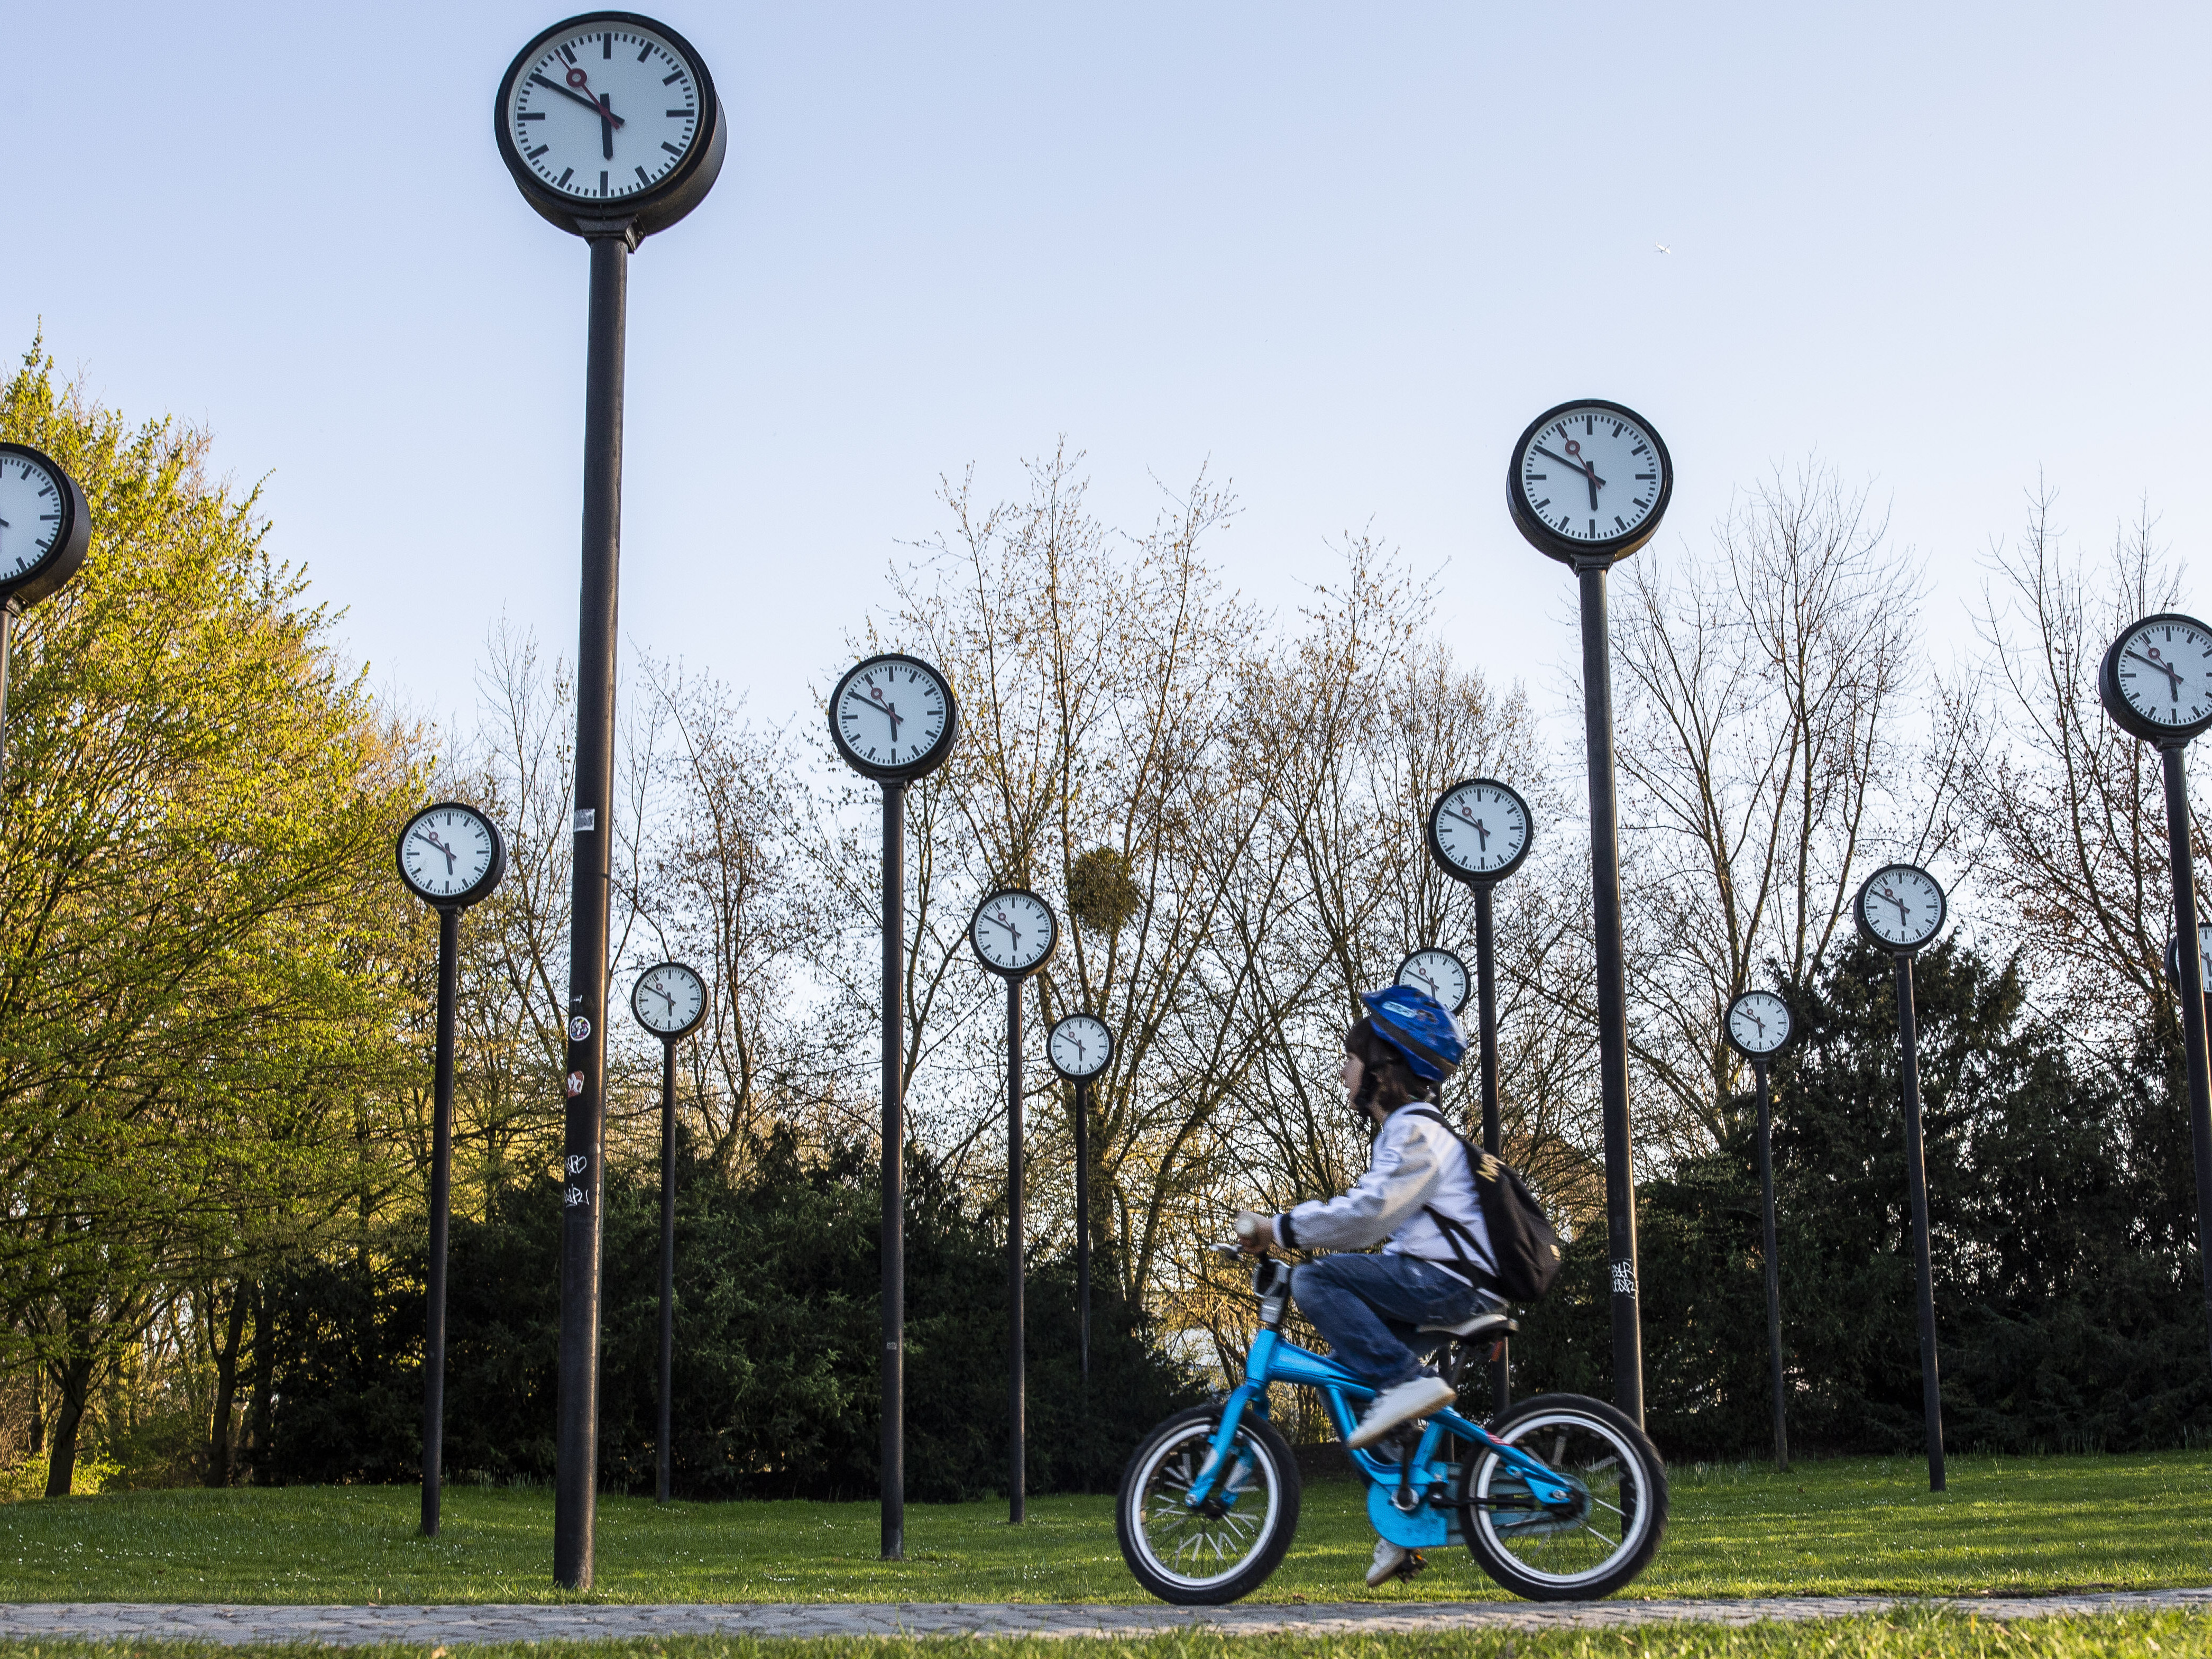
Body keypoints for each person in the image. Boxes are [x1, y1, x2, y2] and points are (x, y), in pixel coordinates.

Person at [1235, 984, 1499, 1588]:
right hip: (1440, 1283)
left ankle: (1409, 1383)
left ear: (1383, 1068)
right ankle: (1402, 1518)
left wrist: (1281, 1227)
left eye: (1351, 1060)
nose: (1343, 1072)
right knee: (1347, 1378)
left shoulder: (1416, 1132)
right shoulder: (1405, 1133)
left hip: (1446, 1284)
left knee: (1316, 1279)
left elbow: (1369, 1213)